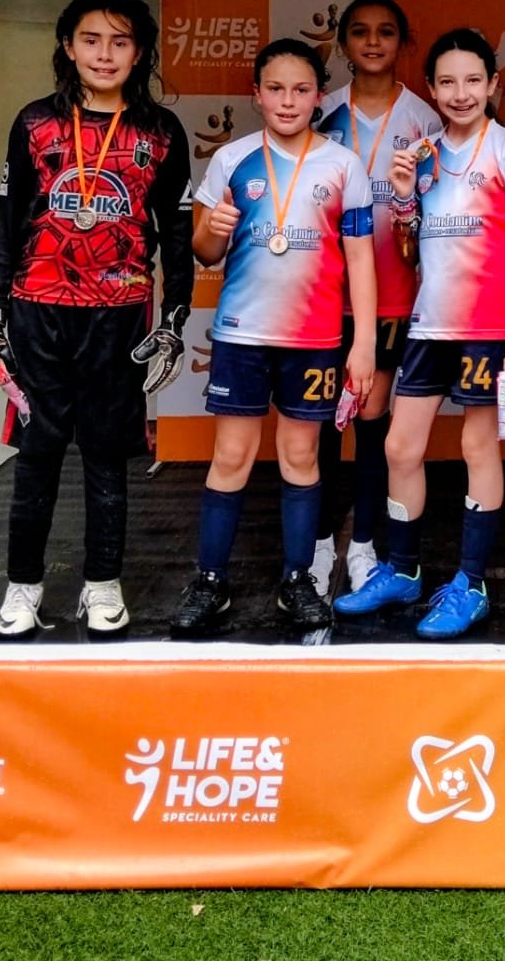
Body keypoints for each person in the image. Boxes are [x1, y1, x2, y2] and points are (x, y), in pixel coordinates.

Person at [0, 0, 193, 638]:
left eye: (120, 41)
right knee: (37, 452)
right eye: (91, 40)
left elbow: (177, 233)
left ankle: (102, 584)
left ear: (140, 52)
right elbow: (8, 222)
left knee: (105, 453)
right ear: (68, 46)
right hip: (37, 309)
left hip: (119, 316)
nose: (104, 54)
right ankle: (22, 586)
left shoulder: (159, 131)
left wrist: (174, 319)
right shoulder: (36, 121)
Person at [334, 28, 505, 639]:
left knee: (479, 448)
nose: (461, 93)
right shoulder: (421, 153)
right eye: (447, 82)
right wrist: (403, 199)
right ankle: (403, 571)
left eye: (473, 80)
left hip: (489, 328)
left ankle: (471, 584)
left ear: (493, 84)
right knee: (400, 448)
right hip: (429, 324)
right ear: (430, 88)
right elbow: (409, 251)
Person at [171, 39, 376, 637]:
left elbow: (361, 260)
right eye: (276, 89)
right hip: (241, 334)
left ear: (319, 96)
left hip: (314, 338)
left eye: (301, 89)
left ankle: (297, 579)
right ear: (256, 94)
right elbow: (203, 250)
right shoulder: (232, 159)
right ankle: (210, 581)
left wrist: (363, 342)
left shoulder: (343, 165)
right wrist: (214, 228)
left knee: (301, 457)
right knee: (231, 457)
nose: (288, 101)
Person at [312, 0, 441, 598]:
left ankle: (362, 545)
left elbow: (437, 209)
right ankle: (317, 545)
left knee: (369, 420)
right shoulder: (319, 111)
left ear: (403, 43)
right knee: (317, 423)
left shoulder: (425, 119)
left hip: (393, 291)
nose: (372, 42)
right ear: (342, 42)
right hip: (319, 292)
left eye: (385, 32)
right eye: (360, 32)